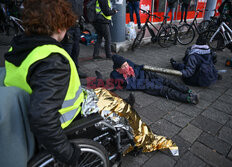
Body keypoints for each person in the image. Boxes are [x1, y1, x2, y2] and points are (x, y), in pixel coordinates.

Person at [4, 0, 178, 165]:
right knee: (123, 108)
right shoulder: (51, 60)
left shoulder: (19, 47)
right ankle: (144, 140)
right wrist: (69, 154)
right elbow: (43, 118)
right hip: (68, 118)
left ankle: (123, 108)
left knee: (104, 91)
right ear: (58, 25)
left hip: (47, 106)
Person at [110, 55, 199, 104]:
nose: (127, 66)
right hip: (142, 83)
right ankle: (187, 98)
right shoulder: (115, 75)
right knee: (164, 89)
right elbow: (130, 85)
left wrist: (144, 67)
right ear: (118, 69)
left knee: (166, 81)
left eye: (126, 64)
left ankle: (187, 90)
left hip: (147, 74)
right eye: (124, 66)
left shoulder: (128, 63)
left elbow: (136, 66)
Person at [61, 0, 87, 78]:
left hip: (77, 26)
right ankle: (64, 73)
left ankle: (75, 70)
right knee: (67, 50)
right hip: (67, 26)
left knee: (76, 50)